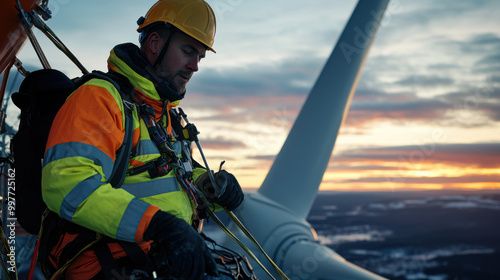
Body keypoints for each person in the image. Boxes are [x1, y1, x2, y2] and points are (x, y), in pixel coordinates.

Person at [40, 0, 244, 279]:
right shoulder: (100, 98)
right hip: (105, 263)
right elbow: (67, 183)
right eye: (188, 51)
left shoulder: (165, 115)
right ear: (155, 43)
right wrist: (159, 226)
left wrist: (207, 185)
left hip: (159, 256)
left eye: (200, 56)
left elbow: (170, 179)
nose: (195, 65)